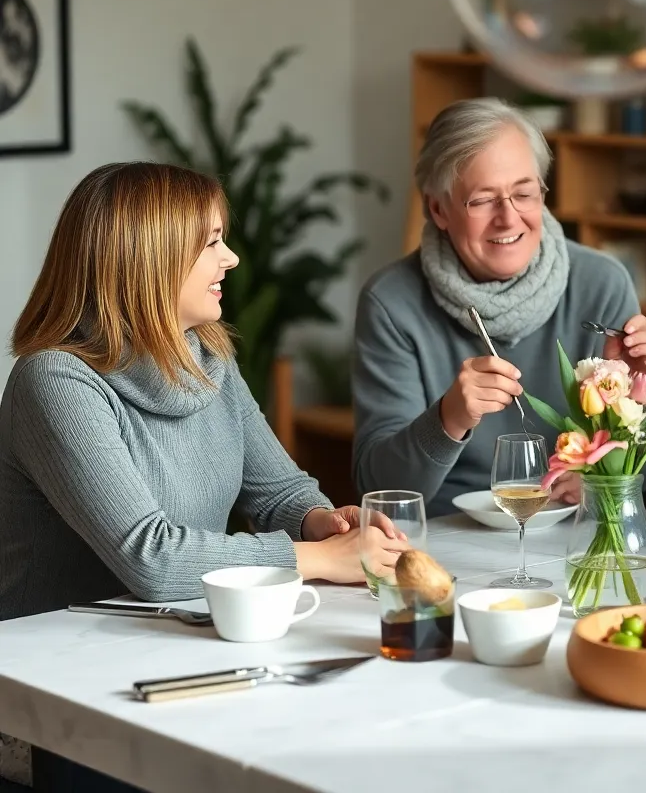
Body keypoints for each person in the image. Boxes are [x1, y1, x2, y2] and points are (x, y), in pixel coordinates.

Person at [0, 163, 408, 790]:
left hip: (178, 649)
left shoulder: (206, 355)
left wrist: (319, 520)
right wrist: (322, 557)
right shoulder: (55, 382)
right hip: (59, 692)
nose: (233, 258)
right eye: (211, 242)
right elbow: (152, 559)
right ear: (148, 260)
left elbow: (277, 488)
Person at [353, 98, 646, 516]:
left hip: (575, 529)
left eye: (524, 193)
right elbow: (379, 488)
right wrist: (449, 418)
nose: (508, 218)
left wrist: (641, 406)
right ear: (438, 209)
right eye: (483, 200)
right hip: (447, 538)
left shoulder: (602, 283)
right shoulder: (391, 303)